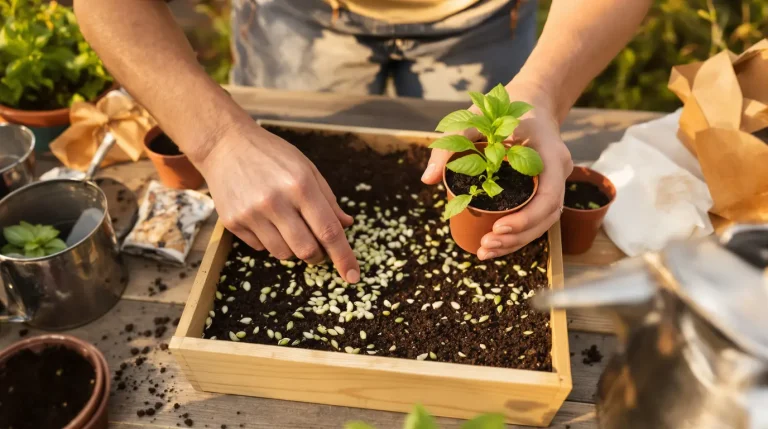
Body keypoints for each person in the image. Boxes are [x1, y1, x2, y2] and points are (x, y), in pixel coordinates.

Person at [74, 0, 652, 283]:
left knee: (464, 138)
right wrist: (220, 140)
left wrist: (543, 91)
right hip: (298, 16)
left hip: (483, 18)